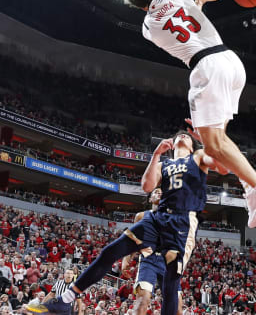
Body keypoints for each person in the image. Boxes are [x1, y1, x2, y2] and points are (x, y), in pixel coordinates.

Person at [125, 0, 256, 236]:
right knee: (215, 142)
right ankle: (250, 190)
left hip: (206, 68)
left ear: (140, 7)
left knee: (213, 145)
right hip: (230, 61)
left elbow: (184, 24)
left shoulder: (147, 27)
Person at [33, 133, 226, 315]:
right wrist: (156, 154)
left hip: (181, 221)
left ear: (193, 146)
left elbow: (223, 167)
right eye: (179, 136)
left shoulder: (198, 157)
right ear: (172, 145)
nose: (183, 135)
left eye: (188, 136)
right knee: (109, 252)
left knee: (171, 286)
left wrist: (208, 141)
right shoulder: (163, 163)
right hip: (157, 217)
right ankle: (65, 300)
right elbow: (147, 186)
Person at [120, 188, 182, 315]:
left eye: (162, 192)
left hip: (168, 263)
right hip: (149, 260)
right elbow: (133, 239)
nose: (159, 193)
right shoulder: (142, 216)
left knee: (178, 310)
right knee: (143, 300)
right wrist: (126, 259)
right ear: (150, 199)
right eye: (156, 191)